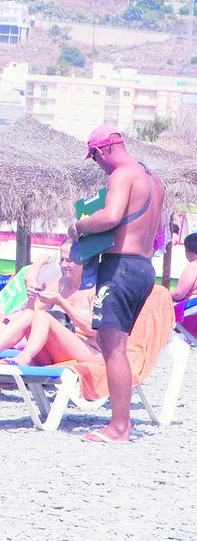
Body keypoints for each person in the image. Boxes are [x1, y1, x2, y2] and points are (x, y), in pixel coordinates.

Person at [69, 126, 165, 443]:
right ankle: (122, 422)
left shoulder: (122, 174)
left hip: (121, 266)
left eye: (95, 157)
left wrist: (79, 225)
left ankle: (119, 427)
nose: (97, 164)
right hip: (143, 268)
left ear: (103, 150)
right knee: (116, 344)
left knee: (112, 346)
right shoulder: (154, 182)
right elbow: (157, 230)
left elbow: (111, 217)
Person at [0, 255, 98, 366]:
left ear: (84, 261)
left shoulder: (94, 290)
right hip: (54, 349)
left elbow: (93, 330)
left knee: (44, 317)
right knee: (29, 314)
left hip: (88, 349)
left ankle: (25, 356)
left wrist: (62, 303)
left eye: (69, 260)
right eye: (62, 259)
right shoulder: (61, 283)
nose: (63, 265)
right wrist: (32, 295)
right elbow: (33, 311)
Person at [172, 232, 197, 303]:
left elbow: (178, 294)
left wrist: (163, 294)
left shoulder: (194, 266)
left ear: (187, 250)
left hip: (191, 309)